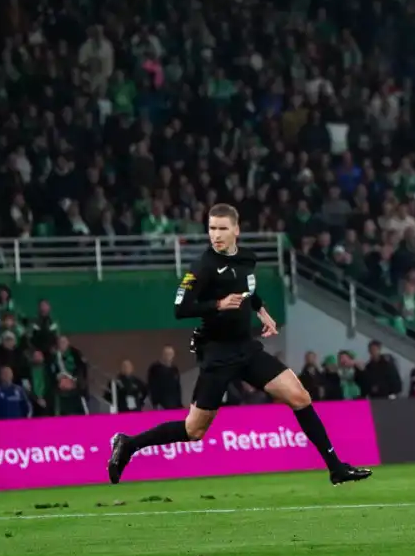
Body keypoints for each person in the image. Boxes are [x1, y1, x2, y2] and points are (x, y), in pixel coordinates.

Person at [107, 204, 371, 486]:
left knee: (300, 397)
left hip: (246, 348)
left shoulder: (247, 258)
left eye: (222, 228)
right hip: (218, 354)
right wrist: (218, 304)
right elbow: (180, 309)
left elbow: (248, 290)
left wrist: (261, 310)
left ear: (236, 230)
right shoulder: (203, 266)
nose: (216, 234)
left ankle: (336, 468)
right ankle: (129, 444)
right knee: (194, 430)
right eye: (212, 228)